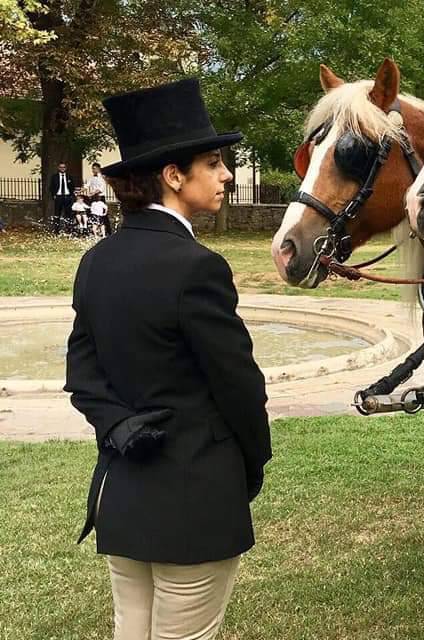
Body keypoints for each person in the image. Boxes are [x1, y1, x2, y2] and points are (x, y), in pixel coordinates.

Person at [64, 78, 271, 640]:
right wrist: (249, 467)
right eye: (212, 161)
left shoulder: (96, 261)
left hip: (123, 496)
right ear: (174, 176)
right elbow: (240, 389)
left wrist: (121, 426)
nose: (226, 173)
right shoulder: (197, 268)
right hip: (194, 500)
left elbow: (82, 375)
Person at [84, 162, 112, 234]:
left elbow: (101, 188)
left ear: (99, 169)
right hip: (93, 198)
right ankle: (94, 231)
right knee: (92, 213)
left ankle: (108, 231)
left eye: (95, 168)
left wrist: (93, 192)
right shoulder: (91, 178)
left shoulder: (102, 178)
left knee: (103, 214)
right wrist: (80, 190)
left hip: (100, 198)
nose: (93, 170)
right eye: (92, 169)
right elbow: (86, 186)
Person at [48, 162, 76, 233]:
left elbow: (72, 186)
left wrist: (71, 195)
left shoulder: (69, 176)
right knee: (57, 214)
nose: (62, 168)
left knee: (68, 214)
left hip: (67, 197)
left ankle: (69, 230)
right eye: (61, 167)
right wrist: (54, 195)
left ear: (65, 168)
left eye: (64, 167)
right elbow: (51, 187)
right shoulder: (54, 177)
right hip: (59, 197)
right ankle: (56, 230)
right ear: (58, 168)